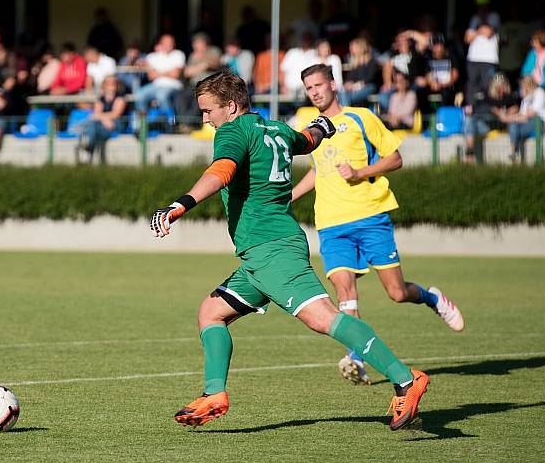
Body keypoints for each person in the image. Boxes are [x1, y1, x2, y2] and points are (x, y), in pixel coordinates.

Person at [150, 69, 429, 431]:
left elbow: (220, 171)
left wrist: (180, 205)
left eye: (208, 110)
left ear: (231, 107)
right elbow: (307, 141)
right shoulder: (276, 129)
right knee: (211, 313)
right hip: (259, 255)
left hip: (272, 250)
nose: (205, 118)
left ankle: (406, 379)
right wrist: (322, 129)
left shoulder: (234, 132)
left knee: (323, 318)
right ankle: (214, 393)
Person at [291, 64, 464, 385]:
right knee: (344, 291)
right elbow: (318, 170)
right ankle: (356, 358)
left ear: (333, 84)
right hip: (330, 222)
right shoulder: (310, 126)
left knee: (397, 293)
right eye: (308, 88)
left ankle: (432, 298)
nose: (314, 92)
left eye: (318, 85)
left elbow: (395, 158)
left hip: (370, 217)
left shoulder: (360, 118)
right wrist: (289, 196)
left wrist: (360, 173)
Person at [463, 73, 518, 164]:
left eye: (503, 84)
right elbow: (478, 109)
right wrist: (495, 110)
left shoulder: (510, 97)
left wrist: (507, 112)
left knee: (469, 124)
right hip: (486, 126)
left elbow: (516, 108)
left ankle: (469, 153)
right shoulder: (486, 96)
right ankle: (470, 152)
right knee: (470, 121)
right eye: (498, 85)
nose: (501, 88)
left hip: (501, 125)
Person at [77, 74, 126, 164]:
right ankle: (88, 147)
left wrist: (102, 117)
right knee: (93, 126)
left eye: (113, 83)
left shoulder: (120, 98)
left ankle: (86, 148)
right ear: (104, 86)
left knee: (90, 125)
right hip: (102, 124)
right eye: (108, 83)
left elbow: (116, 114)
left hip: (115, 124)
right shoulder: (101, 99)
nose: (111, 85)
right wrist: (104, 119)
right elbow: (96, 114)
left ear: (117, 86)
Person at [134, 34, 185, 116]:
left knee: (161, 95)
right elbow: (151, 76)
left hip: (173, 85)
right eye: (167, 42)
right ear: (161, 43)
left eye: (172, 42)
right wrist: (167, 72)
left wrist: (158, 73)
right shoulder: (152, 56)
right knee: (139, 94)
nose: (170, 44)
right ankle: (144, 124)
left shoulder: (178, 54)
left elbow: (176, 74)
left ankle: (170, 122)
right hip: (156, 85)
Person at [464, 0, 500, 108]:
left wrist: (477, 30)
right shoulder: (474, 18)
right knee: (472, 85)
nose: (481, 9)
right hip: (473, 58)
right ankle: (471, 107)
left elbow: (489, 32)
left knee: (488, 86)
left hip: (489, 59)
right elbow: (467, 38)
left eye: (483, 6)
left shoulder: (494, 16)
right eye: (479, 6)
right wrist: (480, 30)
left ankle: (488, 109)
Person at [502, 75, 545, 163]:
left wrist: (511, 118)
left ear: (528, 84)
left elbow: (530, 113)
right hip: (527, 122)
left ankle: (515, 152)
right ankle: (514, 152)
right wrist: (511, 117)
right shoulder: (526, 97)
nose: (521, 88)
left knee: (513, 126)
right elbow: (522, 114)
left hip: (540, 122)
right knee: (513, 125)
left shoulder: (540, 92)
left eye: (522, 85)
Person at [280, 31, 318, 100]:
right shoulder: (292, 52)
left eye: (308, 39)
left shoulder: (315, 53)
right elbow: (282, 71)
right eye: (304, 39)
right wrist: (283, 86)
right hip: (289, 90)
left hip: (307, 91)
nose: (306, 41)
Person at [340, 37, 378, 106]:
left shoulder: (371, 61)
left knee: (348, 97)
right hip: (354, 88)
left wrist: (357, 85)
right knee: (342, 93)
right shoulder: (354, 63)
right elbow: (348, 78)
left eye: (352, 47)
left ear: (360, 48)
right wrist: (348, 84)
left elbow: (370, 77)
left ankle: (346, 114)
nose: (350, 49)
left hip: (368, 86)